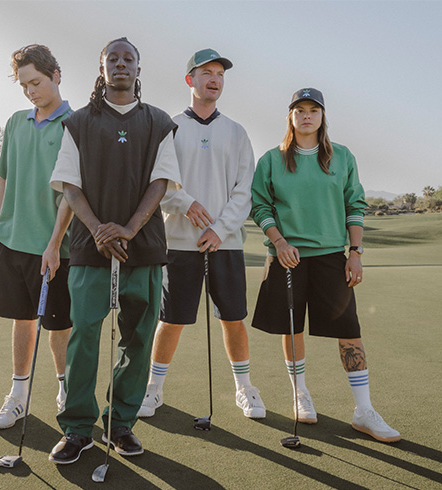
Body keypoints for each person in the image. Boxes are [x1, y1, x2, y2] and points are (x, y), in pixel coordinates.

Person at [48, 37, 181, 464]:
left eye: (129, 59)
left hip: (143, 250)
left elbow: (160, 183)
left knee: (139, 339)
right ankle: (77, 429)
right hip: (90, 251)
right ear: (101, 68)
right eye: (113, 58)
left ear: (138, 70)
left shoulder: (159, 122)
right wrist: (100, 231)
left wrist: (126, 228)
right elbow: (70, 185)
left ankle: (120, 424)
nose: (121, 64)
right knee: (84, 336)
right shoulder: (79, 122)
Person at [250, 88, 400, 443]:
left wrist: (356, 251)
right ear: (290, 116)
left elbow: (355, 205)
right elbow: (260, 207)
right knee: (292, 328)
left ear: (322, 116)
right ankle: (300, 392)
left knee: (349, 329)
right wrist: (280, 241)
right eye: (299, 110)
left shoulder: (342, 156)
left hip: (332, 255)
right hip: (287, 256)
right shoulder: (272, 159)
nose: (306, 115)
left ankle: (363, 410)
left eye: (313, 109)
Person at [138, 48, 265, 420]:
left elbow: (245, 190)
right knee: (172, 319)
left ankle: (245, 388)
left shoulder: (237, 133)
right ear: (190, 80)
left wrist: (219, 228)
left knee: (233, 317)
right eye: (206, 72)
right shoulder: (169, 126)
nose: (214, 79)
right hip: (178, 242)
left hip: (224, 244)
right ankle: (154, 388)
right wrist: (187, 203)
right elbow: (158, 180)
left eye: (220, 74)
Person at [0, 44, 74, 430]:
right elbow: (3, 176)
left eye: (36, 82)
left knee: (58, 326)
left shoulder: (76, 124)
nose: (30, 91)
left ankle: (65, 389)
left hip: (55, 248)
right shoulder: (15, 122)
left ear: (56, 75)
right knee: (22, 320)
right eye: (23, 86)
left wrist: (54, 244)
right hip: (12, 241)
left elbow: (72, 190)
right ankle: (18, 396)